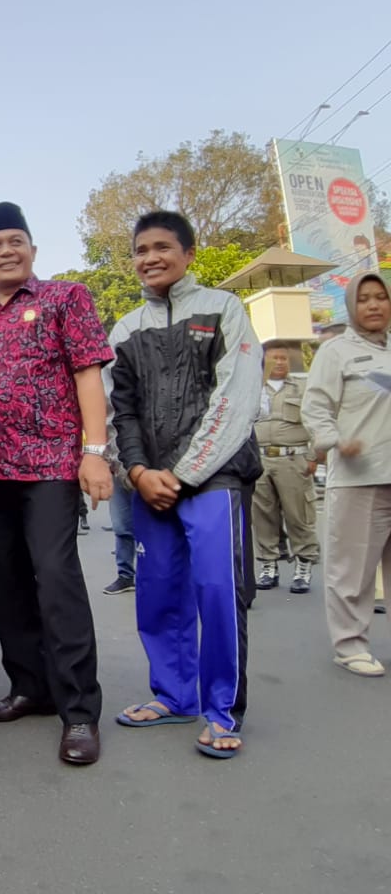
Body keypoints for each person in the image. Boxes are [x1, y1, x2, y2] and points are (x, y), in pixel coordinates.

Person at [0, 201, 111, 766]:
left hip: (51, 465)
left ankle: (79, 711)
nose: (5, 251)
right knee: (2, 583)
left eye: (15, 240)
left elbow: (86, 375)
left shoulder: (66, 298)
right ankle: (31, 686)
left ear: (32, 248)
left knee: (56, 580)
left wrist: (95, 453)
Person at [107, 210, 260, 761]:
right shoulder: (124, 330)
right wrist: (138, 472)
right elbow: (118, 410)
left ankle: (222, 710)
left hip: (215, 478)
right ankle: (173, 695)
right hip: (150, 484)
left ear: (189, 253)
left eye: (162, 247)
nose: (151, 258)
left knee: (219, 593)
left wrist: (183, 472)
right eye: (141, 249)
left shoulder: (225, 310)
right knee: (158, 594)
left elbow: (235, 399)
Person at [302, 272, 391, 678]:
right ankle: (350, 645)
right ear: (352, 307)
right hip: (360, 477)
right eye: (364, 299)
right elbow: (315, 406)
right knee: (351, 568)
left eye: (381, 297)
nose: (374, 306)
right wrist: (336, 440)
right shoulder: (336, 352)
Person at [253, 341, 320, 594]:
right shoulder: (253, 388)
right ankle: (269, 567)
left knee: (298, 515)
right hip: (259, 460)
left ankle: (303, 567)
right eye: (274, 358)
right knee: (263, 517)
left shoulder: (301, 388)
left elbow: (316, 420)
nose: (279, 362)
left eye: (283, 358)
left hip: (293, 459)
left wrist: (313, 456)